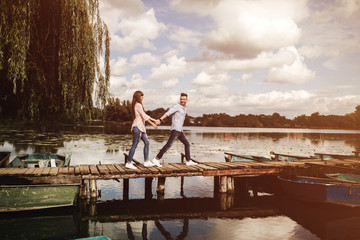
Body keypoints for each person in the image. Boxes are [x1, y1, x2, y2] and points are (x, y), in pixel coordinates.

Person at [152, 93, 198, 167]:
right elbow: (167, 113)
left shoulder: (184, 107)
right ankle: (157, 159)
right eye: (181, 99)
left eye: (183, 99)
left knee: (187, 144)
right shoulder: (177, 106)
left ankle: (188, 160)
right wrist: (160, 119)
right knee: (169, 145)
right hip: (175, 129)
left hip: (180, 130)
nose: (182, 100)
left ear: (186, 100)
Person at [126, 91, 160, 169]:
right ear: (138, 97)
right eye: (141, 96)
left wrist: (152, 124)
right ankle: (128, 162)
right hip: (137, 127)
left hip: (141, 128)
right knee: (134, 145)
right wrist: (154, 120)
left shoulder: (139, 105)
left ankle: (146, 162)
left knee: (147, 142)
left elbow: (144, 117)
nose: (142, 97)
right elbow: (144, 116)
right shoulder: (137, 105)